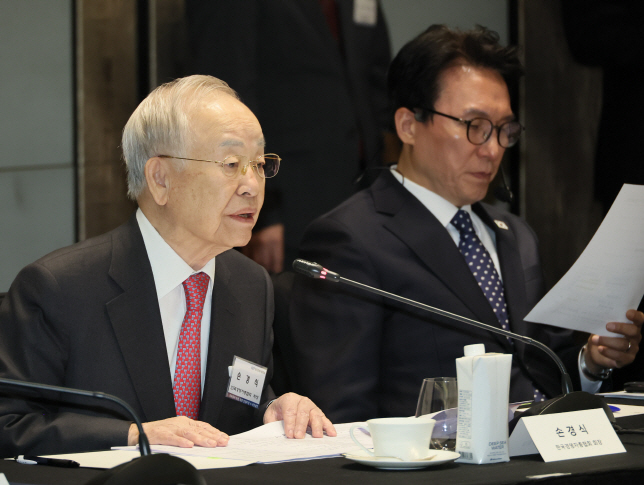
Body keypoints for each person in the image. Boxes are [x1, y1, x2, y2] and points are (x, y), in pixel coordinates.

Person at [287, 25, 644, 423]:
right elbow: (339, 413)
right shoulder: (350, 239)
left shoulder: (516, 235)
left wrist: (591, 363)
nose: (492, 149)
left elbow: (542, 366)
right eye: (475, 126)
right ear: (408, 125)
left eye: (504, 130)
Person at [0, 75, 335, 458]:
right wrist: (132, 435)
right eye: (231, 164)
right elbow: (9, 425)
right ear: (160, 179)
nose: (252, 186)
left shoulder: (251, 285)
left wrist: (272, 410)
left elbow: (239, 400)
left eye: (259, 164)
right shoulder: (60, 288)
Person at [186, 0, 394, 273]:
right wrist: (259, 211)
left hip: (363, 199)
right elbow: (225, 96)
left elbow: (378, 86)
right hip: (287, 205)